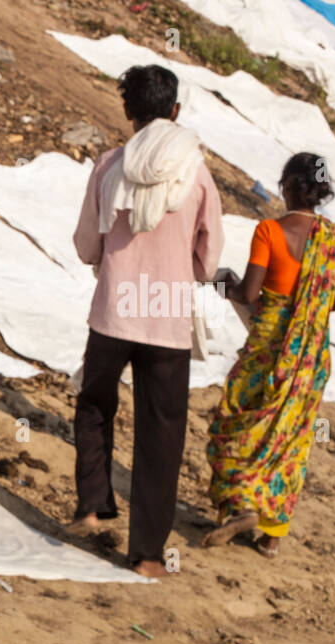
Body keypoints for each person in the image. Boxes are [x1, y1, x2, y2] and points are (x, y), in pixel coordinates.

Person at [68, 64, 225, 578]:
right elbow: (208, 256)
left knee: (94, 406)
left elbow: (86, 243)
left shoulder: (110, 164)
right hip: (167, 322)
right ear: (175, 111)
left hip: (114, 312)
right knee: (161, 435)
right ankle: (148, 557)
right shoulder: (197, 174)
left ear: (129, 111)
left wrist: (110, 260)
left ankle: (92, 506)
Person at [202, 153, 335, 557]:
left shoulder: (269, 231)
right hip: (310, 359)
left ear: (287, 185)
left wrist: (220, 285)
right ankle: (272, 535)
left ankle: (243, 503)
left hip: (268, 347)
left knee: (237, 421)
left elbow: (249, 294)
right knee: (291, 437)